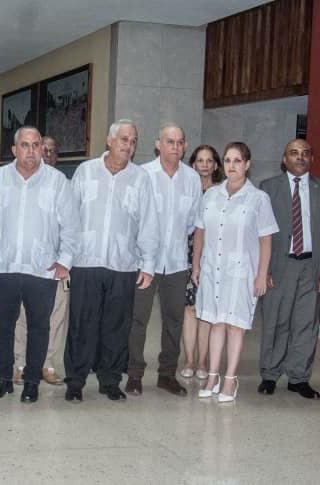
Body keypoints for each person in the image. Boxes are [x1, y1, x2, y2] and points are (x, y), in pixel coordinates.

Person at [63, 119, 159, 402]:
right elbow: (69, 216)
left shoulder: (140, 178)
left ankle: (110, 380)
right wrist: (65, 258)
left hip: (123, 265)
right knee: (81, 325)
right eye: (124, 139)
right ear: (109, 140)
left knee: (117, 327)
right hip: (85, 262)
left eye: (133, 141)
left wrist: (148, 264)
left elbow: (148, 224)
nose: (128, 146)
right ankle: (75, 381)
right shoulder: (86, 171)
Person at [0, 127, 72, 403]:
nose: (31, 151)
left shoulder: (57, 181)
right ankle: (3, 378)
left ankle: (32, 381)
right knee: (2, 326)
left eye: (36, 145)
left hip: (42, 269)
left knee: (39, 327)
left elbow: (71, 224)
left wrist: (65, 261)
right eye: (25, 145)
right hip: (5, 266)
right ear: (14, 150)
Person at [192, 142, 278, 403]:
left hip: (241, 273)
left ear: (247, 164)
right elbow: (199, 232)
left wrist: (262, 274)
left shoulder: (258, 198)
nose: (231, 165)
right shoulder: (211, 196)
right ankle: (213, 376)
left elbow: (265, 240)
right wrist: (196, 265)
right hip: (212, 269)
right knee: (216, 323)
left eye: (237, 160)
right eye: (228, 160)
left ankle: (230, 379)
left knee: (235, 325)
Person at [257, 139, 320, 399]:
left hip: (311, 267)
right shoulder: (268, 188)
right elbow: (259, 234)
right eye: (294, 153)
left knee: (306, 324)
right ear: (285, 159)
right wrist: (264, 270)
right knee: (276, 321)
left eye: (305, 153)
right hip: (279, 266)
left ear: (312, 159)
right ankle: (270, 374)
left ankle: (299, 377)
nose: (300, 157)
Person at [126, 123, 201, 397]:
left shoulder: (192, 179)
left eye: (180, 142)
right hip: (145, 263)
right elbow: (133, 219)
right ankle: (134, 374)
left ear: (185, 146)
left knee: (174, 321)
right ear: (158, 144)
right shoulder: (143, 174)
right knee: (138, 320)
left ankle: (167, 375)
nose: (175, 147)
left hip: (177, 263)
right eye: (170, 142)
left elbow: (194, 223)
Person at [11, 135, 69, 385]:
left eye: (51, 151)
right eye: (41, 149)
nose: (46, 154)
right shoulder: (21, 182)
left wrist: (66, 260)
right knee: (23, 315)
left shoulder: (62, 183)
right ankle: (20, 364)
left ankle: (48, 364)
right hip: (27, 264)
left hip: (57, 264)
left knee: (56, 316)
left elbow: (72, 225)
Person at [181, 145, 224, 380]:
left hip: (213, 256)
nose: (205, 165)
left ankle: (202, 361)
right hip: (185, 255)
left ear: (216, 165)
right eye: (200, 160)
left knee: (206, 309)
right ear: (193, 164)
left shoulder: (223, 192)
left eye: (209, 161)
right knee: (190, 308)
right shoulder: (186, 189)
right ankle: (189, 359)